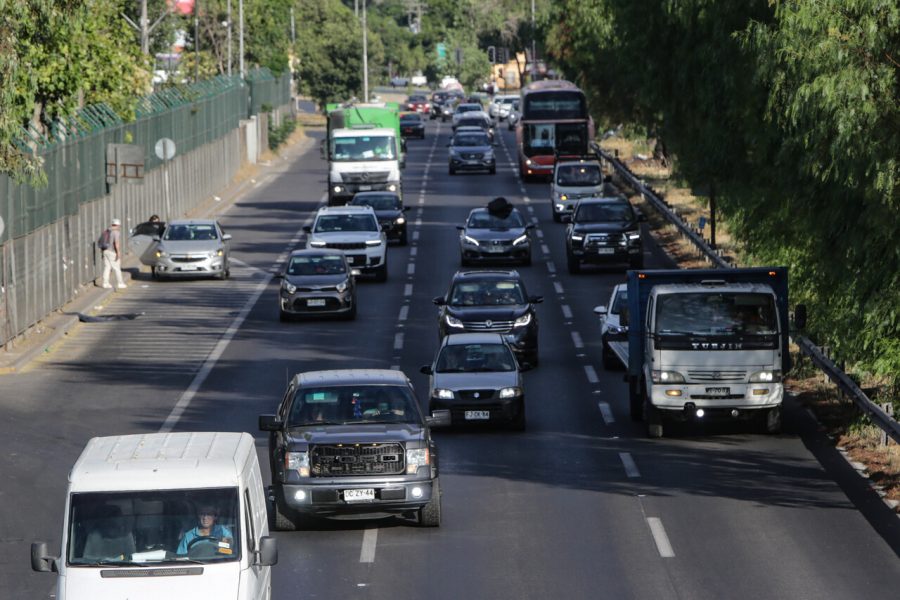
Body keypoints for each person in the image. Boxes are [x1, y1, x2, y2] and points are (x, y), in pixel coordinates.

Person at [100, 218, 127, 289]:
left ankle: (105, 283)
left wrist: (102, 252)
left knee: (107, 267)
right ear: (118, 225)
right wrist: (118, 252)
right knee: (117, 268)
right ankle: (120, 283)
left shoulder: (107, 231)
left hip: (105, 251)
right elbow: (116, 243)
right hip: (112, 252)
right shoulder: (116, 232)